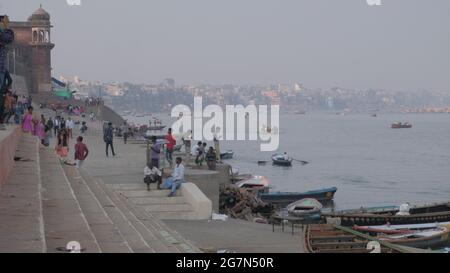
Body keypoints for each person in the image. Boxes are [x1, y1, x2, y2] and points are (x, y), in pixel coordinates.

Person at [0, 16, 14, 129]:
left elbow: (8, 38)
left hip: (2, 68)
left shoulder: (7, 32)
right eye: (5, 21)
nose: (7, 23)